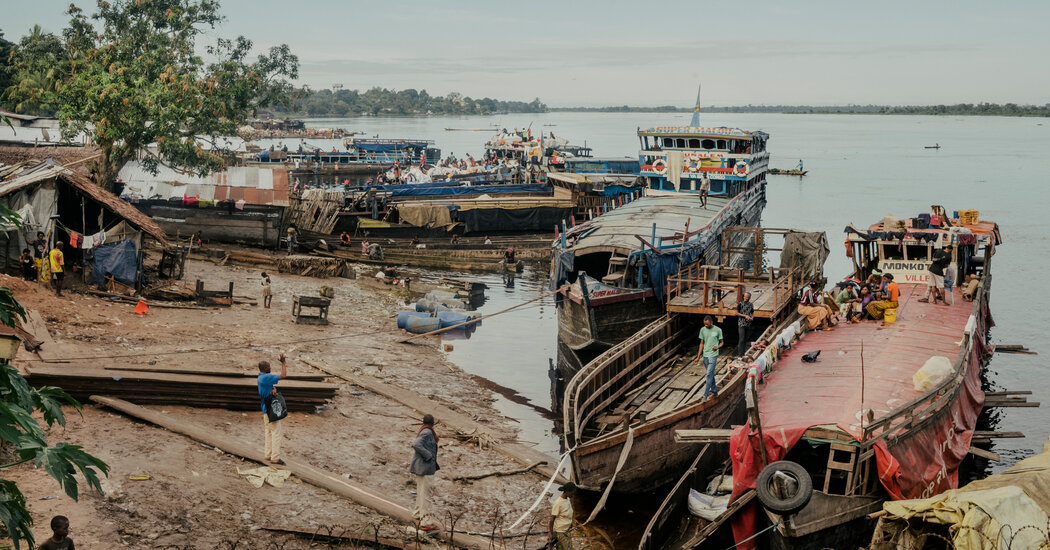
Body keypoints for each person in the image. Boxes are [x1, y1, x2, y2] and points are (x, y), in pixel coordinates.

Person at [410, 413, 440, 532]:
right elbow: (416, 444)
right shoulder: (428, 432)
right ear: (432, 424)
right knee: (426, 494)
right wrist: (428, 456)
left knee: (421, 491)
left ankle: (417, 513)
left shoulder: (424, 430)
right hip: (426, 468)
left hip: (421, 468)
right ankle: (426, 522)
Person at [257, 353, 288, 465]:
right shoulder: (267, 377)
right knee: (276, 432)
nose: (270, 368)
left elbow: (268, 388)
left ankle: (268, 454)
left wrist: (273, 388)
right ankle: (275, 457)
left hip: (265, 409)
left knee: (268, 432)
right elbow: (283, 375)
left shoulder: (260, 377)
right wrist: (283, 363)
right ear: (265, 369)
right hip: (271, 409)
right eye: (269, 367)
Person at [695, 316, 723, 398]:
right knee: (710, 375)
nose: (706, 326)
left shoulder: (718, 330)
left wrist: (717, 347)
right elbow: (701, 343)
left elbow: (722, 342)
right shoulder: (702, 330)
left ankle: (705, 395)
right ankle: (714, 392)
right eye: (705, 324)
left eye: (707, 324)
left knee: (708, 375)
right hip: (705, 355)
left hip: (713, 355)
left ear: (711, 322)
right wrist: (698, 356)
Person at [548, 482, 576, 550]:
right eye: (572, 493)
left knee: (569, 547)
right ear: (567, 491)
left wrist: (570, 523)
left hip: (566, 529)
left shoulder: (567, 499)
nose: (573, 494)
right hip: (560, 531)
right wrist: (550, 533)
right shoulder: (558, 503)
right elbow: (552, 519)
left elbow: (568, 512)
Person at [736, 292, 754, 356]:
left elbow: (752, 313)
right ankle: (740, 354)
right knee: (741, 339)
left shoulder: (751, 304)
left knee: (746, 339)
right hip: (741, 324)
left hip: (748, 324)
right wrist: (745, 316)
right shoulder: (740, 304)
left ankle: (743, 353)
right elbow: (736, 313)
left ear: (750, 298)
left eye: (748, 297)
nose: (746, 298)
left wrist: (751, 318)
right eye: (745, 297)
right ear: (743, 297)